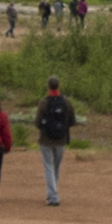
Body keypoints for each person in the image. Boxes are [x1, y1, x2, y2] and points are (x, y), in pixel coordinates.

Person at [35, 76, 77, 206]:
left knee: (48, 166)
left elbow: (37, 122)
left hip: (46, 140)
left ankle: (53, 196)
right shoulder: (66, 102)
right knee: (56, 167)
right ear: (59, 86)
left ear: (48, 86)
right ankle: (53, 193)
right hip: (61, 140)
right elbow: (72, 121)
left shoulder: (43, 103)